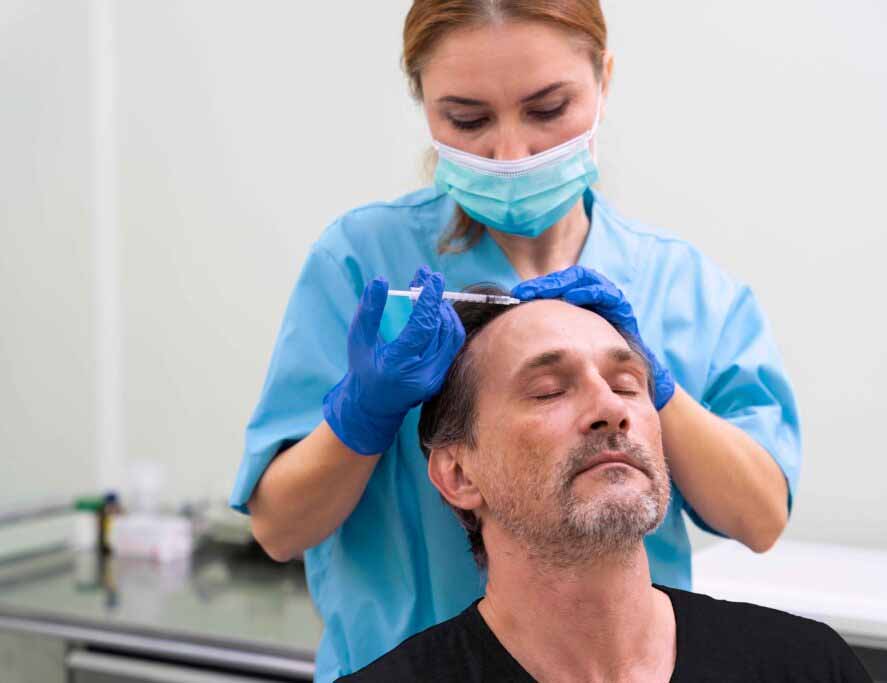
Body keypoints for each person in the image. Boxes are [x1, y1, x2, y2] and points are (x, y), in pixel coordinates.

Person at [231, 1, 802, 679]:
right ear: (424, 104)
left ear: (603, 80)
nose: (510, 153)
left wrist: (647, 381)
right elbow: (279, 529)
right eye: (467, 119)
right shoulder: (363, 263)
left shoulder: (684, 288)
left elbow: (760, 518)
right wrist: (365, 411)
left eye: (548, 108)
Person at [340, 291, 868, 682]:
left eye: (627, 385)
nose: (612, 409)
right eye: (548, 391)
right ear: (459, 474)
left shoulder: (806, 666)